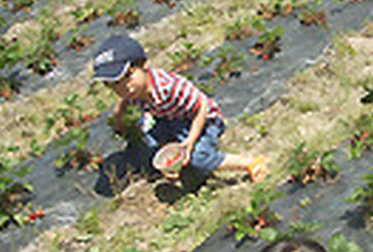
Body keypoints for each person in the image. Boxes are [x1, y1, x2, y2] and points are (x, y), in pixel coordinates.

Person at [92, 34, 268, 182]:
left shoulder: (170, 87)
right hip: (170, 117)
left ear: (144, 64)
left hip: (203, 119)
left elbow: (202, 107)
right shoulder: (133, 92)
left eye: (128, 76)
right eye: (115, 84)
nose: (124, 87)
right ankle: (174, 158)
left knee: (198, 159)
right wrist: (118, 116)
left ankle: (249, 163)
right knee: (150, 140)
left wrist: (190, 141)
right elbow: (124, 101)